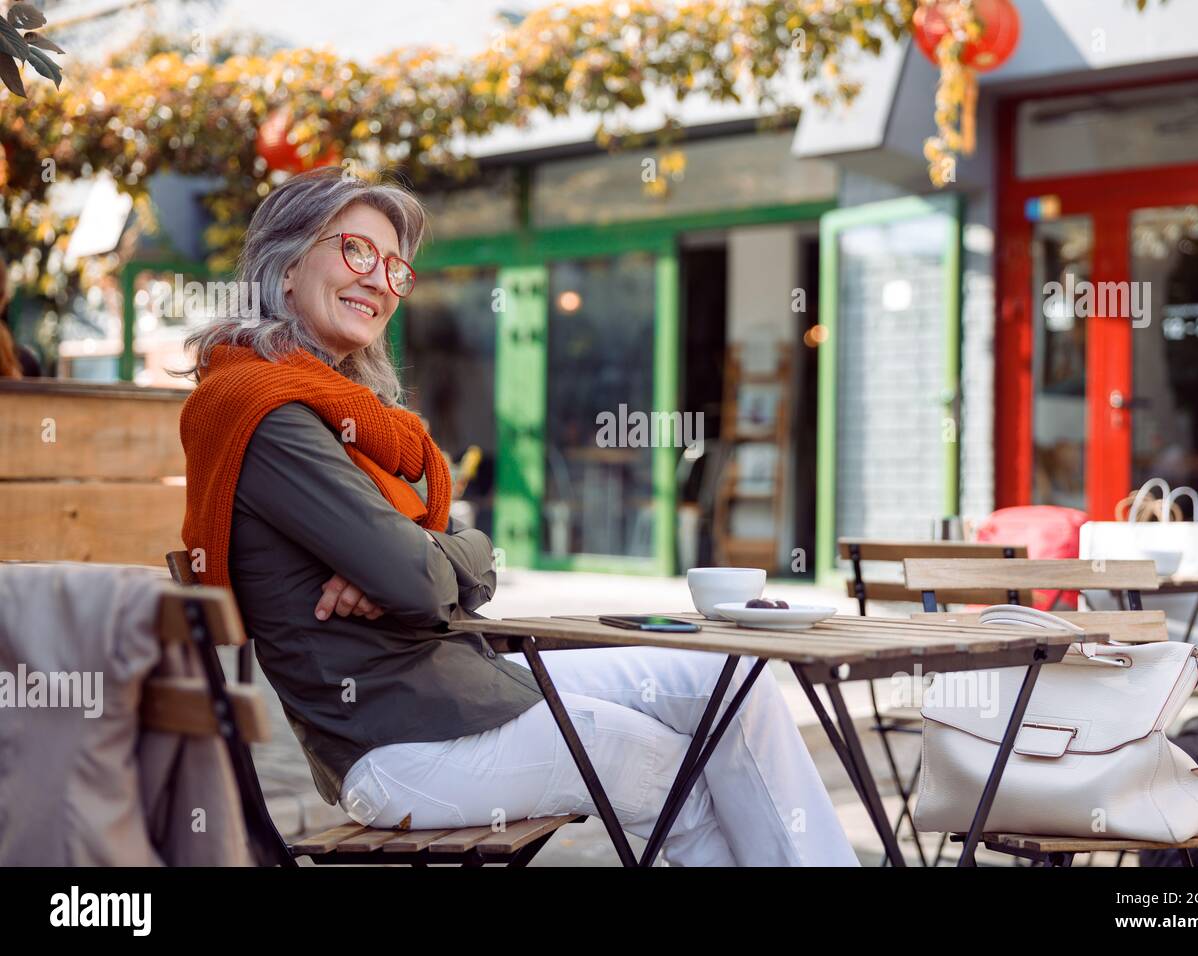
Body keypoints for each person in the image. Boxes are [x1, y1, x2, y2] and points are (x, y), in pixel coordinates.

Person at [177, 166, 857, 866]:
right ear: (286, 267)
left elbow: (442, 560)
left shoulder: (341, 413)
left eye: (394, 266)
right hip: (407, 744)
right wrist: (420, 558)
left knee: (731, 682)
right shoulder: (268, 412)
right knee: (678, 770)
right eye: (354, 250)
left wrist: (423, 553)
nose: (380, 280)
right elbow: (417, 581)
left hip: (464, 692)